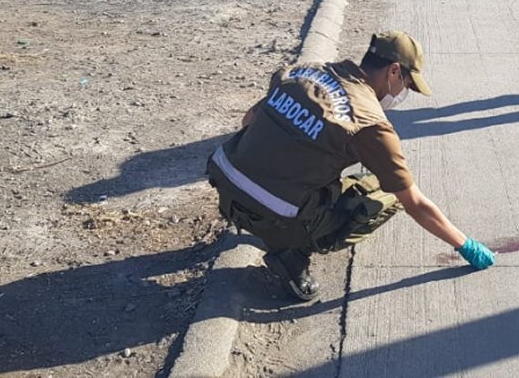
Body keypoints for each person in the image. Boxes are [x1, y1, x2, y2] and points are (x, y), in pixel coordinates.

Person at [206, 31, 496, 302]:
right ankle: (293, 254)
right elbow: (415, 203)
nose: (402, 93)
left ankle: (271, 218)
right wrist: (465, 244)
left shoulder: (303, 72)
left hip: (227, 192)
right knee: (387, 194)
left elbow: (249, 121)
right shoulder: (371, 125)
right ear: (394, 71)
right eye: (406, 85)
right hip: (271, 216)